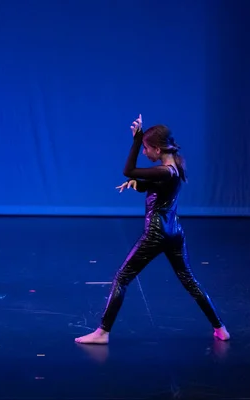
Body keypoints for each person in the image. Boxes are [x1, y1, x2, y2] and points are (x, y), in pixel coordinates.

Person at [75, 114, 230, 345]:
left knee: (121, 278)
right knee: (189, 280)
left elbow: (128, 170)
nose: (145, 153)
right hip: (174, 232)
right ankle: (220, 329)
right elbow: (151, 186)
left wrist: (137, 139)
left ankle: (102, 333)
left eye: (147, 149)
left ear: (157, 149)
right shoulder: (172, 168)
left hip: (156, 233)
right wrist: (137, 184)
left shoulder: (164, 171)